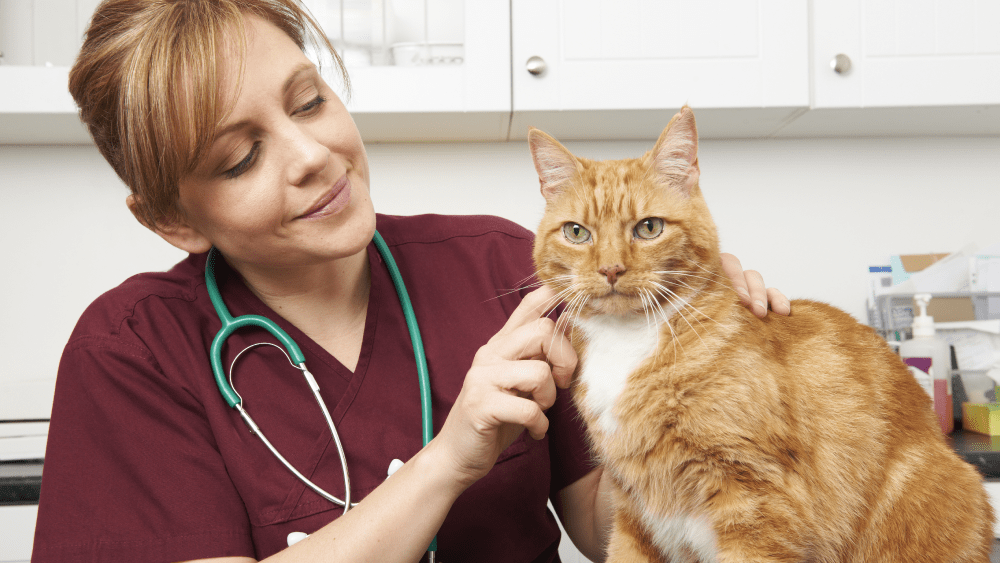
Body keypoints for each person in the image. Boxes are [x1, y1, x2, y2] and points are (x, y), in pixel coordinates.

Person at [31, 1, 791, 562]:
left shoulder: (504, 270)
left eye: (309, 101)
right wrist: (449, 458)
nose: (313, 155)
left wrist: (705, 368)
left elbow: (623, 532)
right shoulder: (133, 351)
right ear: (173, 220)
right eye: (240, 158)